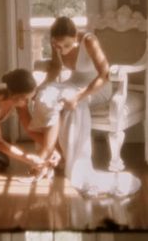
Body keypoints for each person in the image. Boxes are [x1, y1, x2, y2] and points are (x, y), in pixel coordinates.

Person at [29, 16, 141, 196]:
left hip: (97, 87)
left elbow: (104, 75)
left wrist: (79, 96)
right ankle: (53, 155)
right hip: (73, 82)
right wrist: (43, 85)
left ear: (76, 37)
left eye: (67, 45)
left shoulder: (89, 41)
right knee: (45, 96)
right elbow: (56, 68)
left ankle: (74, 163)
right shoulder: (56, 43)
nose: (62, 50)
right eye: (58, 46)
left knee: (72, 105)